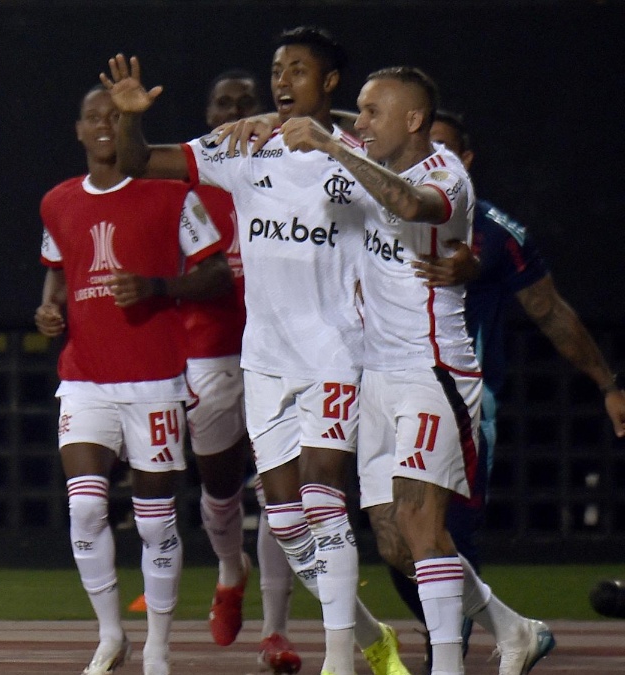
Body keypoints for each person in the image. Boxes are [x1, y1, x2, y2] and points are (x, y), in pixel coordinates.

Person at [100, 26, 408, 675]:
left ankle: (338, 660)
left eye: (298, 70)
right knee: (286, 521)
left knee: (323, 495)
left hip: (335, 352)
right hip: (264, 357)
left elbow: (410, 177)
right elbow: (139, 162)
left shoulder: (357, 152)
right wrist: (131, 120)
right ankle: (373, 634)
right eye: (278, 69)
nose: (282, 80)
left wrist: (330, 134)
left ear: (328, 82)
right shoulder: (245, 146)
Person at [263, 65, 556, 675]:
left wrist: (329, 144)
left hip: (433, 370)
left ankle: (446, 666)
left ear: (414, 120)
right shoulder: (368, 153)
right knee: (394, 540)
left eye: (373, 112)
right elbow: (344, 137)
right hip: (374, 374)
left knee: (424, 528)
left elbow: (411, 204)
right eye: (359, 112)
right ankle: (512, 627)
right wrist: (278, 123)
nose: (359, 122)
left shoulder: (445, 174)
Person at [385, 110, 625, 671]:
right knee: (394, 539)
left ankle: (450, 647)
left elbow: (548, 310)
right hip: (384, 386)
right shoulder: (378, 213)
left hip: (457, 397)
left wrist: (607, 382)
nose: (426, 155)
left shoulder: (491, 230)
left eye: (440, 146)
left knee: (438, 528)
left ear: (462, 162)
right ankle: (495, 627)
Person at [35, 85, 230, 675]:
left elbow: (218, 276)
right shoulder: (57, 202)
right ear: (78, 129)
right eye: (94, 115)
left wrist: (157, 286)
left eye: (116, 117)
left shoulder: (173, 196)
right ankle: (111, 634)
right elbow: (56, 275)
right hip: (86, 380)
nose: (104, 124)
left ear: (130, 128)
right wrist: (49, 311)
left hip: (154, 381)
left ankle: (159, 649)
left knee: (155, 519)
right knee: (86, 509)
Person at [194, 67, 301, 672]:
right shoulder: (193, 177)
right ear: (209, 116)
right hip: (213, 346)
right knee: (219, 489)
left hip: (281, 349)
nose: (232, 111)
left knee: (278, 490)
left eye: (244, 102)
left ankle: (275, 632)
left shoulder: (294, 165)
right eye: (221, 103)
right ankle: (230, 568)